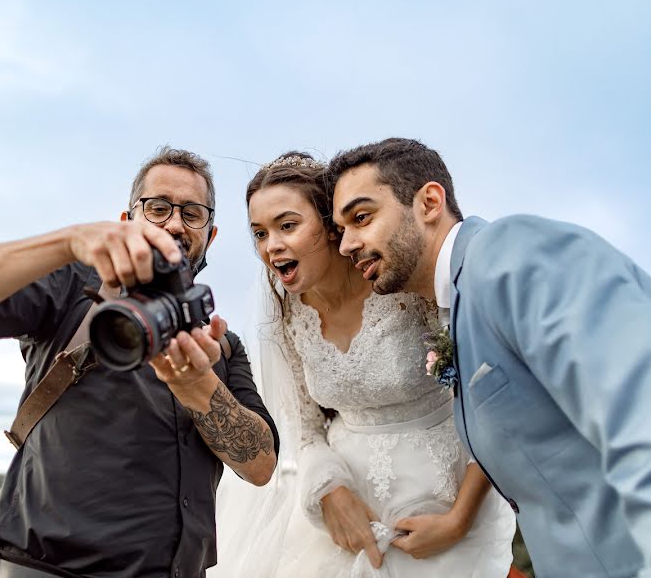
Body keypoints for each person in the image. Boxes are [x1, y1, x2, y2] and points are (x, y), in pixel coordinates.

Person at [0, 146, 279, 578]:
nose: (173, 223)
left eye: (192, 213)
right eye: (158, 207)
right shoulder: (70, 287)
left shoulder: (220, 345)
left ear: (211, 234)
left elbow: (260, 466)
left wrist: (198, 388)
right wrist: (67, 242)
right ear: (127, 221)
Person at [328, 137, 651, 578]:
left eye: (362, 217)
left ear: (429, 202)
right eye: (341, 231)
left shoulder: (508, 251)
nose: (346, 245)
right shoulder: (456, 315)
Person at [214, 152, 514, 577]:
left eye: (287, 225)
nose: (271, 246)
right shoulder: (286, 312)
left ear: (329, 224)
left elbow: (484, 406)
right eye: (259, 233)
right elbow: (306, 427)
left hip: (445, 500)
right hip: (347, 512)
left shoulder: (400, 282)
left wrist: (458, 519)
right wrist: (329, 488)